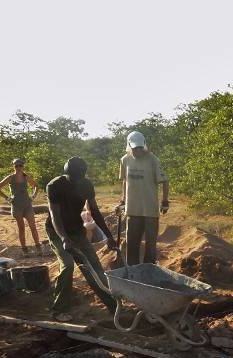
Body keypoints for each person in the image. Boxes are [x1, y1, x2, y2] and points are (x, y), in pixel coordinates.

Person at [46, 156, 118, 322]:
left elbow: (95, 211)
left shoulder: (86, 185)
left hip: (77, 231)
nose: (76, 181)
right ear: (67, 174)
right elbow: (54, 215)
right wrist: (64, 238)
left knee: (94, 267)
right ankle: (58, 310)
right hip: (58, 232)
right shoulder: (54, 186)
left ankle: (113, 305)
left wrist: (109, 236)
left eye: (79, 178)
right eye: (74, 178)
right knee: (68, 266)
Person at [119, 131, 169, 265]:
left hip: (150, 209)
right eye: (135, 148)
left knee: (150, 244)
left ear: (144, 145)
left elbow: (164, 180)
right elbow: (125, 181)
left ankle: (149, 268)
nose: (138, 150)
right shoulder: (125, 160)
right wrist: (123, 200)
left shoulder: (153, 160)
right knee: (132, 242)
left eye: (140, 147)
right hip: (132, 209)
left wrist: (165, 201)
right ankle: (133, 269)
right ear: (129, 146)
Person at [0, 158, 41, 255]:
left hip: (27, 204)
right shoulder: (10, 177)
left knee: (33, 226)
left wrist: (33, 196)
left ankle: (38, 248)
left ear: (23, 166)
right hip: (16, 205)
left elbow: (36, 186)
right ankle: (24, 250)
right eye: (16, 166)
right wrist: (7, 198)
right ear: (13, 166)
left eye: (20, 165)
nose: (18, 167)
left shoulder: (26, 177)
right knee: (21, 228)